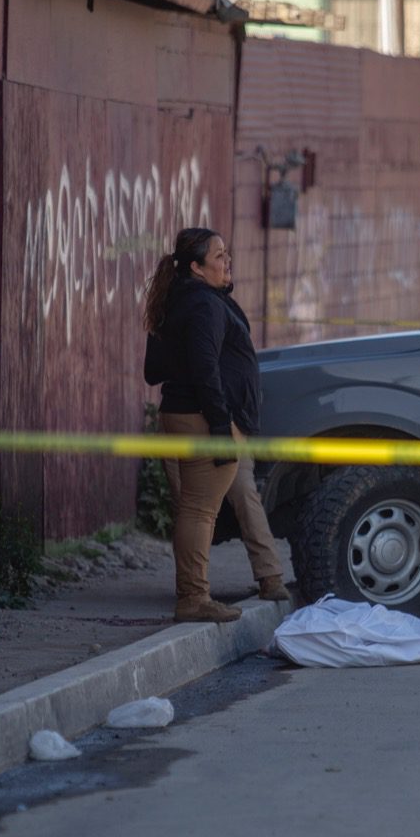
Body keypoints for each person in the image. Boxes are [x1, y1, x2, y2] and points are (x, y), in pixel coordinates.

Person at [143, 228, 287, 623]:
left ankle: (196, 594)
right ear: (196, 267)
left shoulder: (177, 301)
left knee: (194, 508)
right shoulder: (204, 305)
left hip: (182, 414)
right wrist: (221, 423)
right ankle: (193, 599)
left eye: (227, 254)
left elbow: (154, 369)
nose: (228, 262)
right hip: (204, 419)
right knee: (200, 511)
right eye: (220, 256)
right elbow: (206, 368)